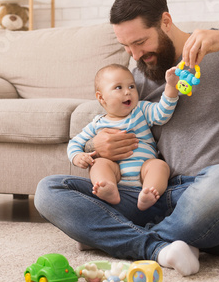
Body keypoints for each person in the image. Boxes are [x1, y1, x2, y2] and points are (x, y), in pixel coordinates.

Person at [35, 0, 219, 276]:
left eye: (140, 42)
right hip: (161, 196)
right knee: (49, 190)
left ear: (165, 22)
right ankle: (161, 248)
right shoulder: (137, 79)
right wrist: (96, 145)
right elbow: (105, 123)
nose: (135, 55)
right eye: (126, 47)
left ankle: (119, 237)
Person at [68, 63, 179, 211]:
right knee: (98, 164)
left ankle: (150, 193)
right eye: (118, 87)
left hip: (144, 172)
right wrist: (77, 157)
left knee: (159, 166)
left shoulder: (141, 109)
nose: (128, 92)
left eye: (131, 86)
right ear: (101, 98)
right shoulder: (97, 124)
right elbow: (75, 143)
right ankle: (108, 187)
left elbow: (162, 113)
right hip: (116, 174)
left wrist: (171, 86)